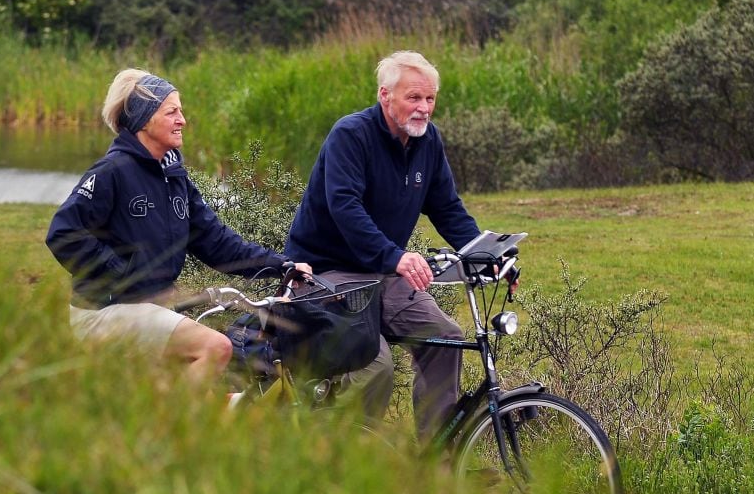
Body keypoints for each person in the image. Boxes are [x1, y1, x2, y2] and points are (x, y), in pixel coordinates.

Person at [47, 68, 309, 383]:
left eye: (181, 111)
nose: (182, 120)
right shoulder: (112, 172)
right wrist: (125, 275)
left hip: (150, 313)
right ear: (144, 120)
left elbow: (216, 242)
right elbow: (63, 233)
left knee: (206, 393)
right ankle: (168, 430)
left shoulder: (174, 177)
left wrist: (280, 264)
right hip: (104, 312)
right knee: (215, 348)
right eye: (172, 112)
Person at [284, 51, 482, 437]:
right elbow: (346, 208)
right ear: (385, 96)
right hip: (324, 273)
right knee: (376, 361)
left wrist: (486, 252)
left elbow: (447, 209)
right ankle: (347, 460)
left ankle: (437, 462)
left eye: (430, 99)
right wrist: (395, 256)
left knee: (446, 340)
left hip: (381, 272)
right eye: (414, 98)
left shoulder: (428, 142)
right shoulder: (351, 135)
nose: (423, 108)